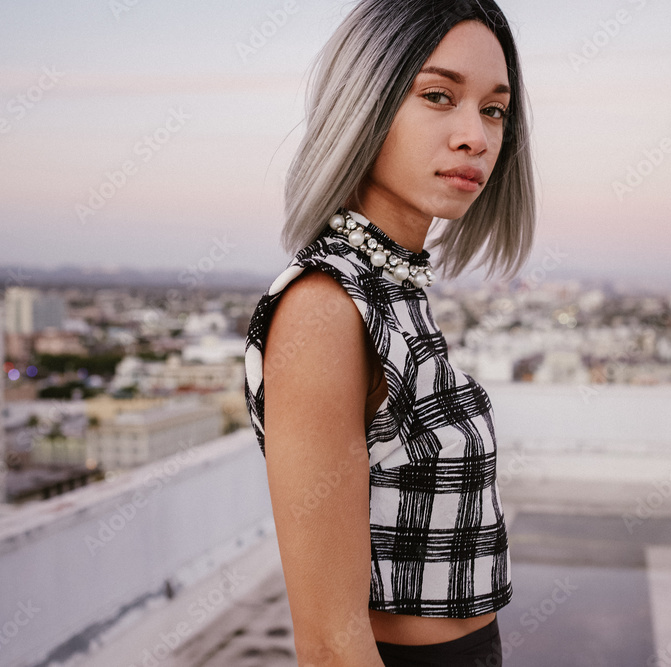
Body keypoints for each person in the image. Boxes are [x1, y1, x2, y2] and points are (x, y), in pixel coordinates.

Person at [243, 1, 535, 664]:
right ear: (365, 102)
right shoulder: (325, 305)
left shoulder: (394, 289)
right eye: (438, 96)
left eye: (493, 109)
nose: (476, 136)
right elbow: (329, 642)